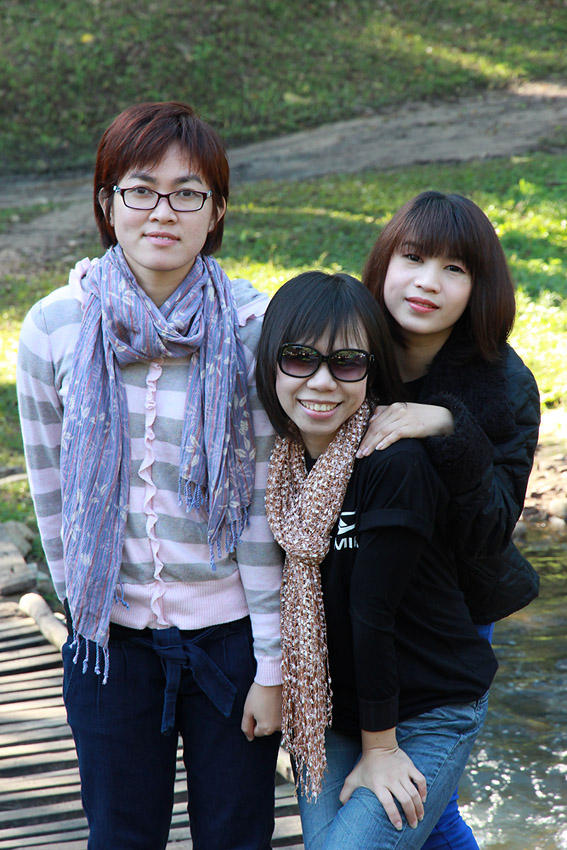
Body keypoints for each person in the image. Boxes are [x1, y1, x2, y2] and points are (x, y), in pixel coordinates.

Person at [16, 101, 283, 850]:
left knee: (237, 837)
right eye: (140, 189)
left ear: (216, 211)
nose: (162, 211)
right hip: (110, 644)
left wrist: (272, 664)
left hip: (232, 643)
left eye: (187, 192)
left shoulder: (255, 329)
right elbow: (52, 496)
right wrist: (84, 616)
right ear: (107, 203)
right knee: (120, 837)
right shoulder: (54, 327)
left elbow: (264, 507)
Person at [255, 270, 498, 850]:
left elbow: (372, 612)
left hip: (426, 707)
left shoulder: (393, 463)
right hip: (331, 713)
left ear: (371, 369)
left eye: (347, 363)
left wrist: (381, 748)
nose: (321, 382)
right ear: (270, 363)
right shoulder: (281, 467)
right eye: (300, 358)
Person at [358, 190, 541, 849]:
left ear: (478, 288)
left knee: (428, 808)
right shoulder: (345, 348)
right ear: (385, 261)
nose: (427, 282)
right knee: (403, 800)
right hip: (353, 602)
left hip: (449, 613)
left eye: (454, 269)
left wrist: (447, 426)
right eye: (412, 258)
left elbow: (489, 531)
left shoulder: (503, 386)